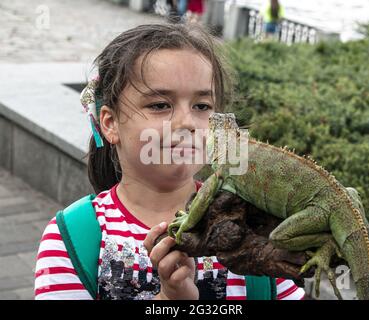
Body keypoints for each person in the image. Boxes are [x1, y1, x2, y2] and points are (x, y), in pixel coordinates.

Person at [34, 23, 305, 300]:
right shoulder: (74, 237)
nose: (187, 122)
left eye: (202, 106)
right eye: (160, 105)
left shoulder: (255, 225)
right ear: (110, 123)